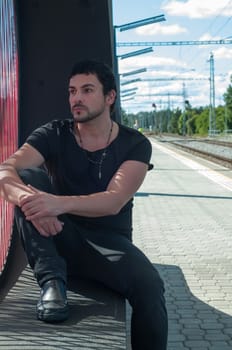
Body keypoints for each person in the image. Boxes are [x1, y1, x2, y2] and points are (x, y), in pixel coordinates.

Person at [0, 59, 168, 349]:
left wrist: (56, 204)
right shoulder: (54, 133)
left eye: (87, 90)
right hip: (58, 236)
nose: (76, 98)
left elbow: (113, 201)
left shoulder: (135, 144)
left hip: (109, 245)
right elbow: (6, 170)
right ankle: (52, 283)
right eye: (72, 91)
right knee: (28, 176)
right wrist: (30, 201)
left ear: (110, 97)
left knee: (151, 287)